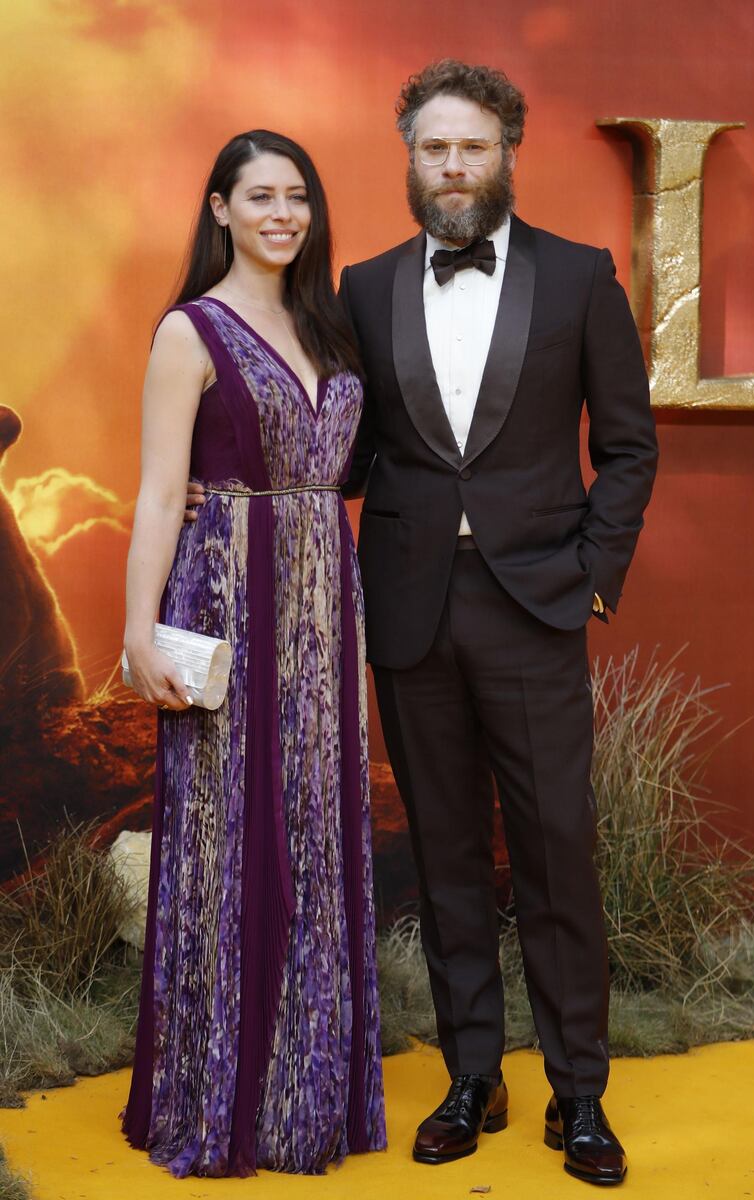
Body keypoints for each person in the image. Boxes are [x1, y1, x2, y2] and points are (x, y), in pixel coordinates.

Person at [187, 61, 658, 1186]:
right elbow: (335, 448)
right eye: (434, 148)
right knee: (444, 859)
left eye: (473, 147)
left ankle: (578, 1096)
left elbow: (629, 447)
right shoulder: (362, 285)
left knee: (554, 858)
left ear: (506, 154)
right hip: (402, 615)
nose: (453, 166)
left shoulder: (581, 277)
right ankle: (471, 1076)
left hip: (536, 608)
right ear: (408, 158)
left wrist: (591, 574)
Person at [121, 129, 386, 1178]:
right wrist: (138, 631)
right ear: (220, 208)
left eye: (298, 197)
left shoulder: (330, 322)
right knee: (226, 838)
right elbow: (154, 490)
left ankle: (306, 1090)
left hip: (326, 601)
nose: (282, 213)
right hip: (226, 595)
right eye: (260, 196)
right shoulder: (189, 331)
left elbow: (344, 463)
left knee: (317, 837)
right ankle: (217, 1091)